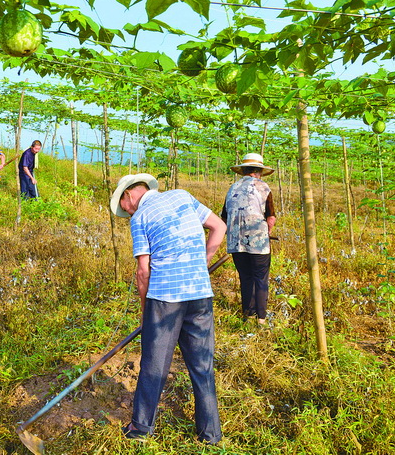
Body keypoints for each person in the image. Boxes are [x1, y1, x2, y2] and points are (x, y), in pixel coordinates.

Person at [111, 173, 227, 445]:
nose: (127, 214)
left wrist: (145, 312)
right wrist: (201, 262)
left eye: (124, 208)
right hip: (199, 294)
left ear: (129, 195)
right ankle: (211, 435)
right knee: (202, 365)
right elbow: (219, 228)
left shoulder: (140, 217)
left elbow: (143, 272)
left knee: (154, 364)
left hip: (165, 298)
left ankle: (140, 429)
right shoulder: (182, 196)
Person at [221, 153, 277, 327]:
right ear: (259, 171)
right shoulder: (264, 188)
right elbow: (271, 217)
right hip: (258, 242)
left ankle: (248, 314)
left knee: (245, 277)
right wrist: (267, 231)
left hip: (235, 242)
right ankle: (261, 318)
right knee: (260, 278)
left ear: (243, 171)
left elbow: (224, 217)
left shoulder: (232, 188)